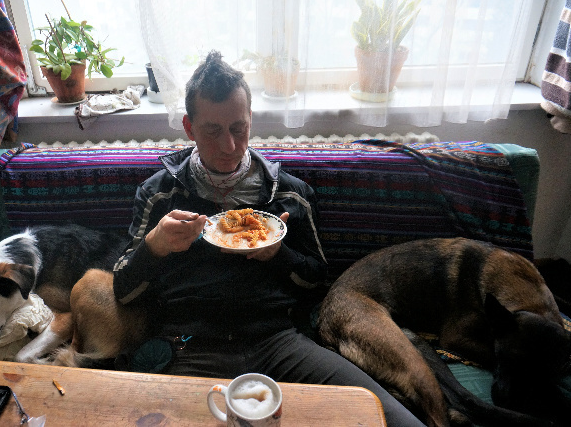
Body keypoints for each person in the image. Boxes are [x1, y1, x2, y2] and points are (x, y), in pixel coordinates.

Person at [112, 50, 424, 427]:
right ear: (189, 127)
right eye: (213, 131)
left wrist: (278, 254)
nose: (229, 146)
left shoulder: (288, 195)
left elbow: (318, 279)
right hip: (189, 346)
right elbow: (123, 291)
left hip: (279, 343)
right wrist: (155, 246)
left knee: (392, 419)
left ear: (250, 121)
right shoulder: (159, 196)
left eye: (238, 128)